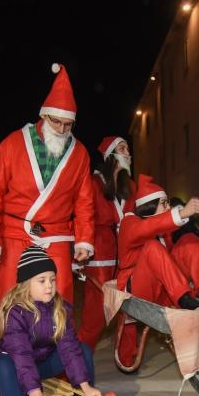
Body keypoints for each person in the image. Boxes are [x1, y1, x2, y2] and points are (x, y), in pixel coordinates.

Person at [0, 63, 94, 341]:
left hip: (57, 235)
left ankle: (56, 364)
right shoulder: (13, 144)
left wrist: (84, 239)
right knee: (8, 295)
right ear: (43, 115)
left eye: (68, 124)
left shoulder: (80, 154)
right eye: (56, 122)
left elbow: (84, 200)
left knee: (60, 296)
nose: (62, 128)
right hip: (15, 233)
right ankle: (6, 358)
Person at [0, 246, 107, 396]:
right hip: (17, 367)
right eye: (41, 280)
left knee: (81, 349)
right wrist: (35, 395)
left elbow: (69, 350)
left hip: (42, 364)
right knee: (2, 365)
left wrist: (85, 387)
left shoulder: (59, 308)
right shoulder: (15, 313)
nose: (50, 286)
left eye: (52, 280)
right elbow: (22, 356)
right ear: (26, 283)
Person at [116, 175, 199, 368]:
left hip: (164, 289)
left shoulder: (164, 232)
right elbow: (147, 228)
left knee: (189, 240)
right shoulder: (130, 223)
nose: (168, 207)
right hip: (137, 289)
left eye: (168, 203)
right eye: (163, 203)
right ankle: (184, 300)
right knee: (153, 248)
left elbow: (168, 261)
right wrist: (180, 213)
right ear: (149, 205)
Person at [77, 135, 134, 351]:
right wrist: (81, 248)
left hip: (126, 253)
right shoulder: (94, 183)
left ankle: (128, 357)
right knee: (97, 314)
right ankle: (76, 366)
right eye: (122, 148)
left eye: (128, 148)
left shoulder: (129, 185)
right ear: (111, 155)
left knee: (130, 309)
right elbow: (84, 217)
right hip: (100, 254)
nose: (128, 153)